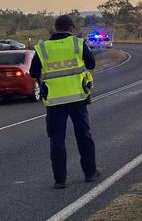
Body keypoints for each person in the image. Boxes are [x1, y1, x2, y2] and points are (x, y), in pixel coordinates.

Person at [30, 15, 101, 189]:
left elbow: (33, 72)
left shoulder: (43, 48)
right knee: (83, 135)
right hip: (77, 98)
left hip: (54, 101)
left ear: (56, 28)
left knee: (56, 139)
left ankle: (60, 180)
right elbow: (91, 64)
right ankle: (90, 172)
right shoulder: (77, 43)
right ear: (71, 28)